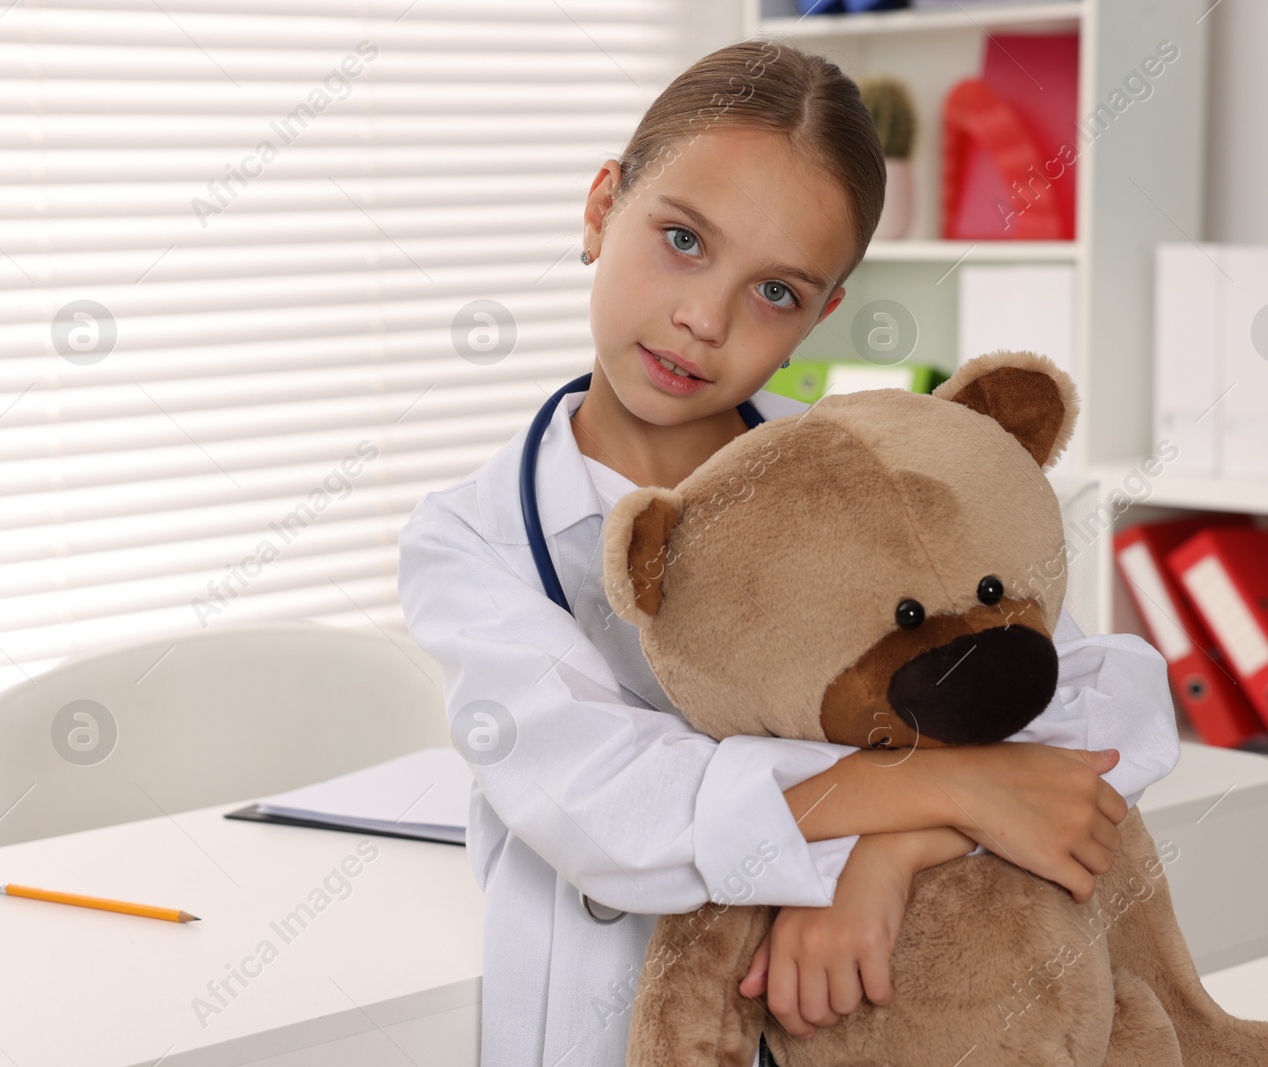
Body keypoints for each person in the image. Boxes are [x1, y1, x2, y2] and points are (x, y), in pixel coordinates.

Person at [397, 39, 1180, 1067]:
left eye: (776, 293)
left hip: (868, 1002)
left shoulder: (875, 486)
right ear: (600, 208)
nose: (703, 317)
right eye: (681, 239)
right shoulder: (473, 535)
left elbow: (1092, 700)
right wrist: (945, 791)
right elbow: (613, 805)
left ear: (820, 317)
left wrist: (887, 857)